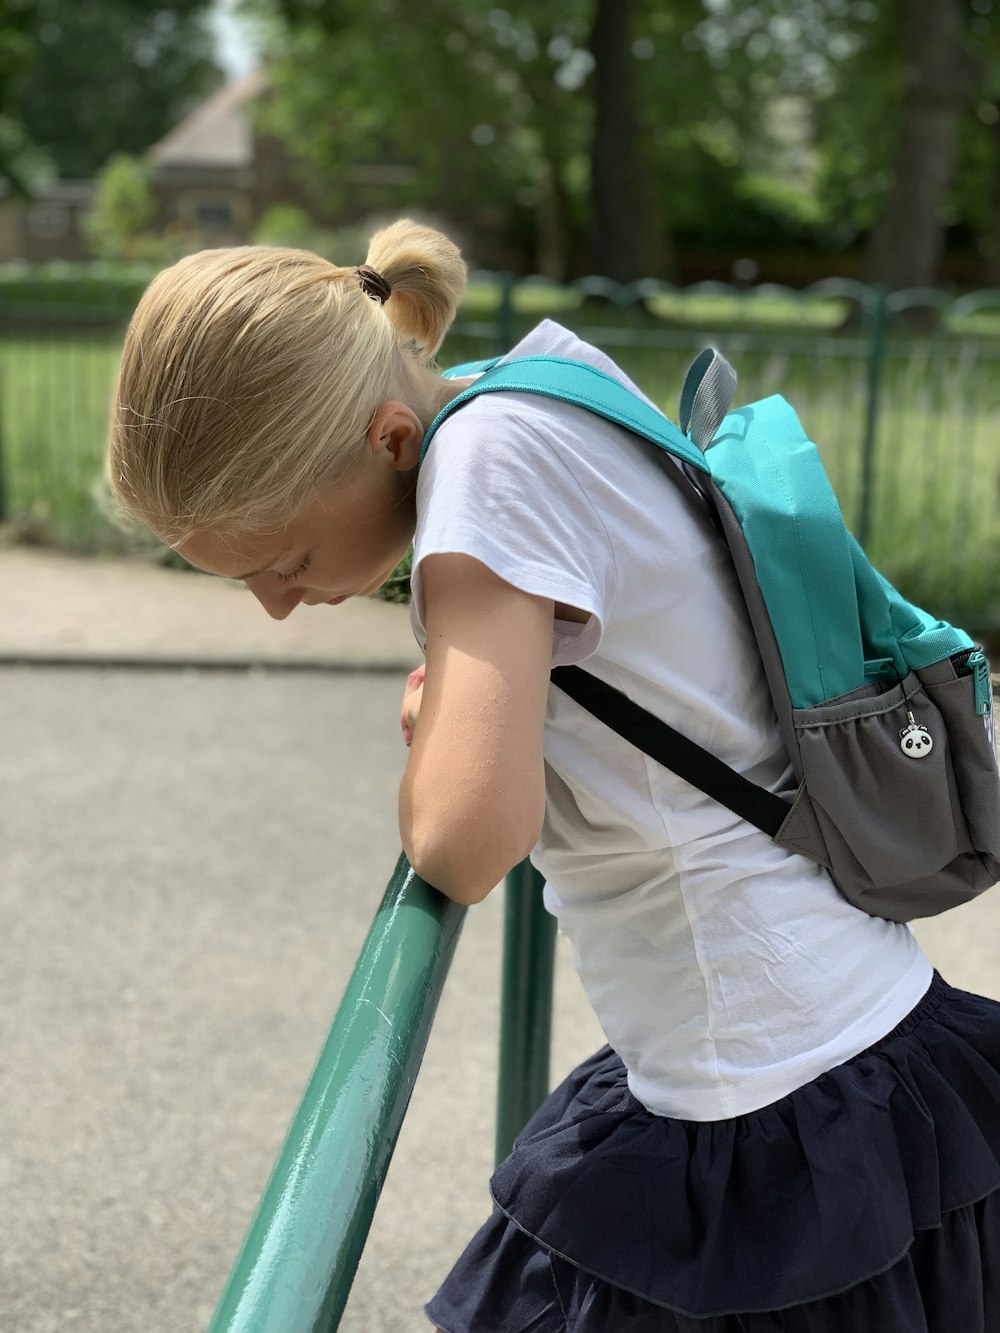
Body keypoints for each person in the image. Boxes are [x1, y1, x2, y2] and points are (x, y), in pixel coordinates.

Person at [107, 219, 1000, 1333]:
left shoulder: (486, 470)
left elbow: (464, 834)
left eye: (280, 563)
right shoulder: (526, 392)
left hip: (772, 1105)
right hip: (813, 1052)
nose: (277, 605)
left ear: (389, 438)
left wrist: (448, 713)